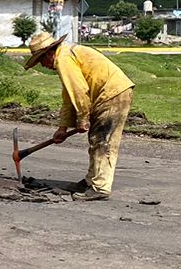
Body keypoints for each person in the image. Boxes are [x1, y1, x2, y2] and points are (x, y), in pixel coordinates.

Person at [23, 30, 135, 201]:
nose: (42, 65)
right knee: (95, 140)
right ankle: (91, 181)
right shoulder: (65, 55)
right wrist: (62, 127)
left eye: (40, 60)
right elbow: (69, 98)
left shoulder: (63, 59)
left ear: (49, 53)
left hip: (113, 93)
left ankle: (101, 187)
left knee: (102, 141)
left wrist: (83, 119)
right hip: (107, 93)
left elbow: (79, 91)